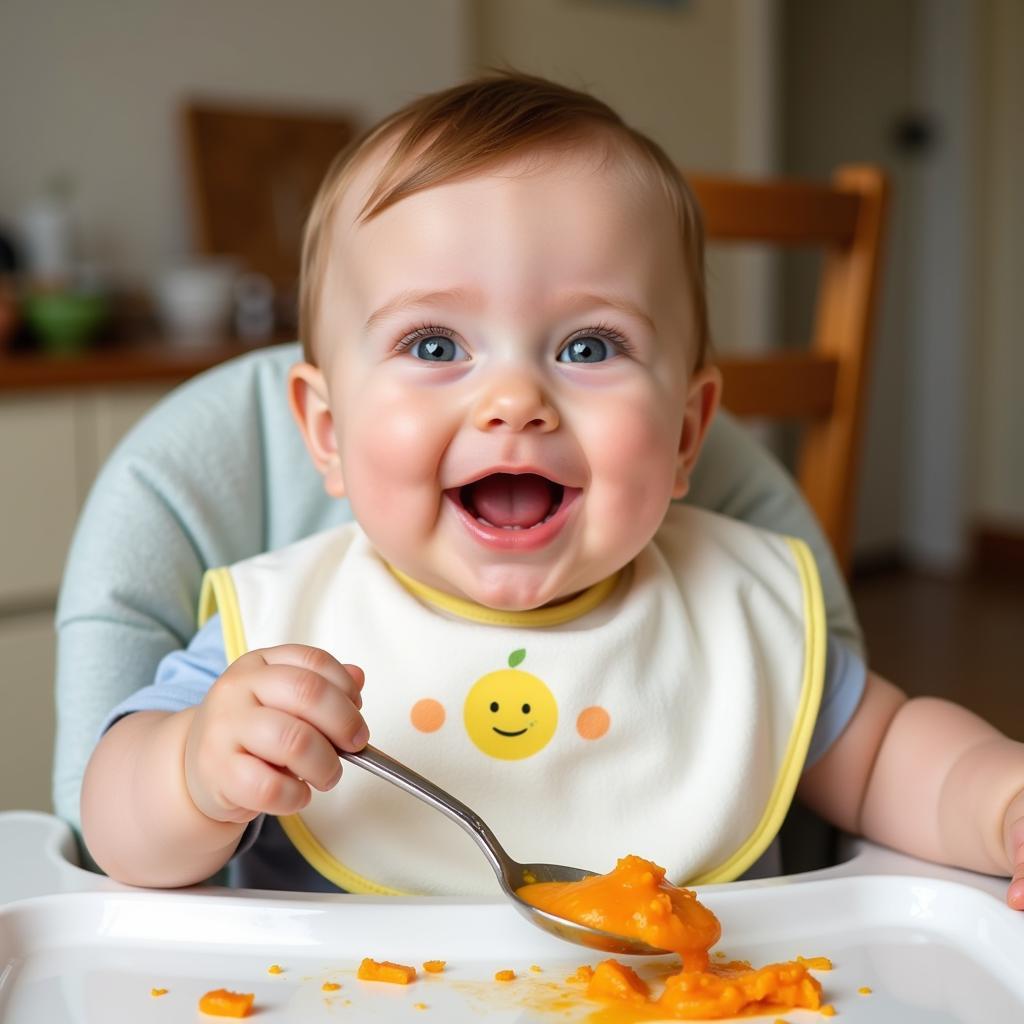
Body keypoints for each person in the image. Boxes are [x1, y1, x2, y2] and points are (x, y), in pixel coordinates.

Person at [79, 72, 1024, 906]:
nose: (515, 401)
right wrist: (199, 773)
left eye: (589, 346)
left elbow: (895, 758)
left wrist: (1002, 802)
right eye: (435, 345)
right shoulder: (286, 627)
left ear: (689, 431)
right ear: (326, 433)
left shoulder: (741, 612)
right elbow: (115, 832)